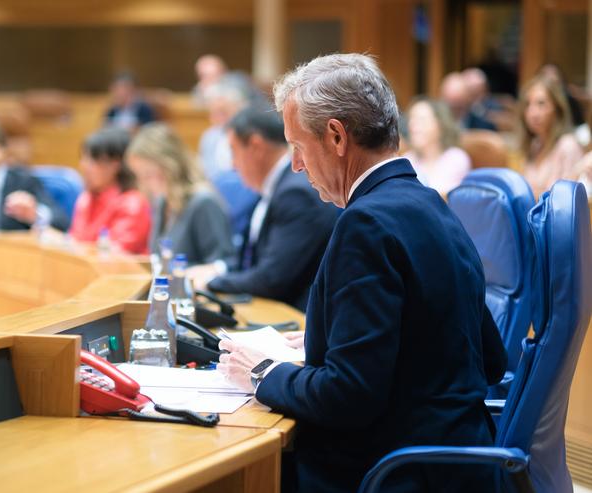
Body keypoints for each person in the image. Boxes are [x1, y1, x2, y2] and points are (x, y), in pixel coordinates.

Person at [217, 54, 507, 492]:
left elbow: (348, 397)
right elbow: (490, 359)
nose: (296, 165)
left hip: (391, 472)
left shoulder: (365, 224)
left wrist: (264, 373)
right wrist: (333, 333)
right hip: (455, 461)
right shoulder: (431, 205)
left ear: (335, 136)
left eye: (297, 146)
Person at [188, 107, 338, 311]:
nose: (232, 165)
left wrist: (212, 281)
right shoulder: (275, 187)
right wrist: (218, 268)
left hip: (296, 321)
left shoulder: (295, 194)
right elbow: (254, 260)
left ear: (256, 146)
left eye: (233, 151)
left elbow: (271, 279)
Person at [126, 122, 234, 265]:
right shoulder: (162, 202)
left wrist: (186, 274)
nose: (143, 184)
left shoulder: (203, 202)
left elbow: (223, 264)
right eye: (139, 176)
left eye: (148, 174)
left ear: (170, 167)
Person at [69, 127, 151, 253]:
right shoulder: (86, 199)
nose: (84, 166)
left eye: (94, 160)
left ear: (116, 165)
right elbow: (74, 241)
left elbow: (114, 256)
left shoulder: (132, 204)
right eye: (84, 158)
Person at [198, 81, 259, 239]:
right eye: (213, 112)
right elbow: (204, 174)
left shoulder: (252, 138)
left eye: (223, 112)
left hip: (246, 203)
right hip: (214, 204)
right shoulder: (209, 137)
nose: (216, 118)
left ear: (239, 109)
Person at [518, 74, 584, 198]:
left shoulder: (567, 145)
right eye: (527, 105)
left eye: (541, 104)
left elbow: (566, 199)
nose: (533, 113)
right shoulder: (534, 145)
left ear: (557, 109)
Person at [403, 97, 471, 195]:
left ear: (440, 125)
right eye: (411, 119)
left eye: (421, 119)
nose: (412, 125)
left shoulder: (456, 158)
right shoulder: (407, 159)